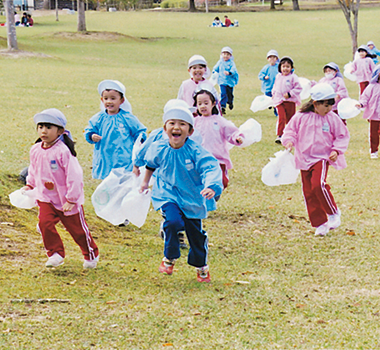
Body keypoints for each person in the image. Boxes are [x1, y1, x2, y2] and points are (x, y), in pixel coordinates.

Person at [139, 100, 223, 283]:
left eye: (182, 124)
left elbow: (210, 167)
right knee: (172, 223)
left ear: (190, 131)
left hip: (192, 197)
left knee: (195, 236)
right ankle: (169, 257)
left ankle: (201, 266)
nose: (176, 127)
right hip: (167, 192)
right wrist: (145, 183)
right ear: (165, 128)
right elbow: (151, 164)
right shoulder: (159, 147)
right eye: (172, 123)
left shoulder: (195, 151)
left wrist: (211, 185)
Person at [22, 109, 99, 268]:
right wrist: (30, 184)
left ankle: (91, 254)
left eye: (49, 127)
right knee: (44, 224)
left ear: (60, 131)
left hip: (66, 200)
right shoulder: (36, 149)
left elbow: (74, 175)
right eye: (41, 126)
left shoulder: (63, 151)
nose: (44, 131)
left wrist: (71, 198)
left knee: (77, 231)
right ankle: (55, 253)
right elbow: (33, 169)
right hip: (46, 198)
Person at [282, 83, 350, 237]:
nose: (329, 109)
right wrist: (289, 141)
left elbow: (342, 135)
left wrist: (336, 150)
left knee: (318, 185)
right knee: (309, 192)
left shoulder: (332, 118)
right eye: (326, 105)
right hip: (304, 157)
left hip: (321, 158)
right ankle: (320, 223)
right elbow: (290, 130)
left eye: (331, 104)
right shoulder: (300, 116)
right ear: (315, 103)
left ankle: (333, 212)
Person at [133, 99, 202, 250]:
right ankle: (175, 232)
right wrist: (136, 164)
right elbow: (144, 150)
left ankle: (176, 228)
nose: (177, 126)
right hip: (163, 180)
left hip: (184, 180)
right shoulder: (158, 135)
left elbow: (198, 153)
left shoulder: (191, 136)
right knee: (170, 207)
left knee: (184, 207)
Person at [84, 80, 147, 180]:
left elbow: (139, 131)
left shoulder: (127, 118)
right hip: (105, 157)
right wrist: (92, 135)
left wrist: (141, 141)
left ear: (121, 100)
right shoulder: (99, 118)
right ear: (102, 100)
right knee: (107, 183)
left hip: (123, 157)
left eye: (113, 98)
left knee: (123, 182)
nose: (109, 101)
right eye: (106, 98)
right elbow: (89, 129)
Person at [193, 86, 243, 189]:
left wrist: (236, 138)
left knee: (221, 182)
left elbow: (231, 131)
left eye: (206, 103)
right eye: (199, 103)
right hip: (199, 159)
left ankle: (213, 195)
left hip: (217, 160)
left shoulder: (219, 120)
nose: (203, 106)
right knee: (201, 183)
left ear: (213, 103)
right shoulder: (195, 122)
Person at [272, 56, 302, 144]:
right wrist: (274, 94)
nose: (285, 69)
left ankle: (291, 135)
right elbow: (275, 86)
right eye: (283, 66)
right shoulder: (278, 76)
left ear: (291, 68)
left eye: (288, 67)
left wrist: (290, 94)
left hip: (290, 101)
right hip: (279, 101)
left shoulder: (293, 77)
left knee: (290, 119)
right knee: (282, 117)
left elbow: (298, 88)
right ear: (280, 67)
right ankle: (280, 135)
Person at [356, 65, 380, 159]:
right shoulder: (372, 86)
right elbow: (365, 97)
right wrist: (361, 104)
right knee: (373, 134)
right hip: (374, 115)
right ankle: (374, 150)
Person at [212, 46, 239, 114]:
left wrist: (229, 73)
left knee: (229, 94)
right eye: (224, 54)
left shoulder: (231, 63)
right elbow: (216, 68)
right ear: (221, 54)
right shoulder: (220, 62)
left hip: (229, 82)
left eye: (227, 54)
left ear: (230, 55)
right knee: (223, 93)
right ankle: (222, 106)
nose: (225, 56)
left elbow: (234, 70)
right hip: (222, 81)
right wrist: (214, 72)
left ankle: (230, 102)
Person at [258, 49, 279, 116]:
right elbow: (260, 75)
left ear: (276, 58)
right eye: (270, 57)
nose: (272, 59)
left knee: (276, 101)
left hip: (276, 88)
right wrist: (264, 77)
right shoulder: (266, 68)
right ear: (268, 59)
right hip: (268, 87)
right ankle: (269, 105)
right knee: (268, 99)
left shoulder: (278, 67)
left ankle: (277, 112)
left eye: (274, 57)